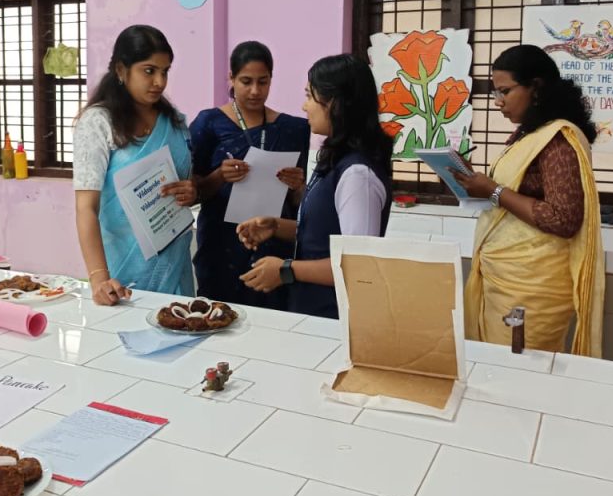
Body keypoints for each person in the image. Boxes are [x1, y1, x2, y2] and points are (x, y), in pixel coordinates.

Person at [452, 44, 605, 356]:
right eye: (495, 92)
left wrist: (493, 191)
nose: (498, 102)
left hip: (532, 287)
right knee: (496, 363)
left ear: (536, 87)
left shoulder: (558, 140)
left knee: (519, 369)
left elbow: (563, 219)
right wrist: (475, 183)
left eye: (505, 91)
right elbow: (514, 196)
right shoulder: (529, 134)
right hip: (506, 277)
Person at [235, 54, 393, 318]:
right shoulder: (334, 159)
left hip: (337, 318)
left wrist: (286, 270)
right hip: (311, 310)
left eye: (310, 96)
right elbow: (325, 234)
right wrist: (276, 227)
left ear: (335, 103)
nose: (304, 106)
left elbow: (358, 265)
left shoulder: (357, 175)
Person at [73, 25, 198, 306]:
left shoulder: (175, 122)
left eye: (165, 71)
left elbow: (187, 184)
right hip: (121, 274)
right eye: (149, 71)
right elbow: (86, 208)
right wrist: (99, 279)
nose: (159, 82)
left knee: (181, 325)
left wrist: (192, 192)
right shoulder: (98, 123)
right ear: (121, 70)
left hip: (175, 265)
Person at [189, 42, 310, 309]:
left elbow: (299, 203)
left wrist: (297, 186)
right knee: (219, 317)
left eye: (262, 82)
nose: (255, 91)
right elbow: (194, 191)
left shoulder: (293, 129)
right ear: (231, 78)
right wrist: (219, 176)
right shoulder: (209, 124)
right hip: (221, 246)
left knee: (274, 322)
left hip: (273, 247)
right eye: (246, 81)